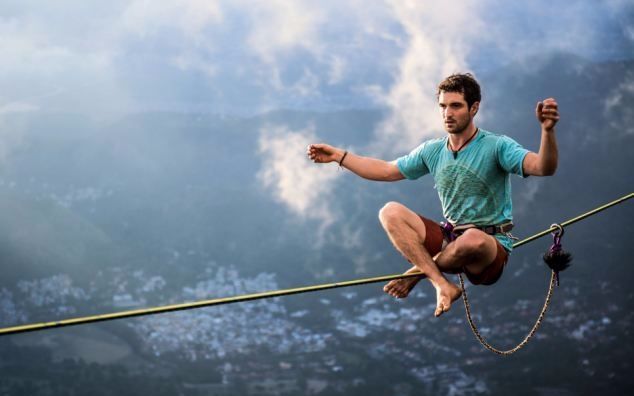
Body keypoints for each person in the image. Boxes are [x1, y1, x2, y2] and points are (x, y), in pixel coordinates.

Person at [307, 73, 559, 317]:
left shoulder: (497, 146)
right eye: (443, 106)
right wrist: (339, 156)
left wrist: (547, 131)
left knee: (474, 238)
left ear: (474, 108)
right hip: (450, 240)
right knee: (390, 211)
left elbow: (543, 167)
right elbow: (385, 170)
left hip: (488, 250)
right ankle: (441, 285)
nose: (448, 113)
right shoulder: (434, 150)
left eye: (456, 106)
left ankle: (418, 271)